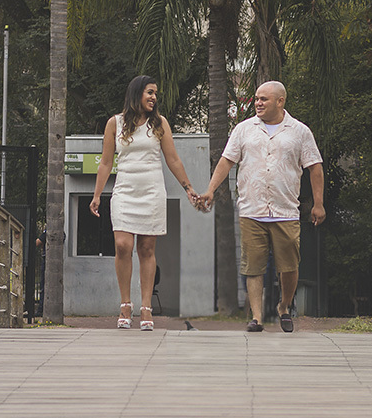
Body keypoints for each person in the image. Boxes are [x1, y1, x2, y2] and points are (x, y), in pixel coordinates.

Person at [198, 81, 325, 333]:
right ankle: (256, 317)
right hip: (251, 209)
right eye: (256, 98)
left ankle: (284, 306)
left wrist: (318, 204)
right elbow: (226, 162)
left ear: (280, 101)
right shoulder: (244, 129)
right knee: (252, 266)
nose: (258, 103)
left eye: (264, 99)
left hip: (285, 210)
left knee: (289, 266)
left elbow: (315, 167)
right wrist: (210, 189)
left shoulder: (300, 132)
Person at [90, 75, 200, 331]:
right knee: (122, 245)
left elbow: (172, 159)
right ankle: (125, 304)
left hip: (152, 191)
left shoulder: (159, 123)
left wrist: (188, 187)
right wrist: (97, 196)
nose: (153, 97)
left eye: (156, 94)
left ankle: (146, 307)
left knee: (147, 250)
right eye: (149, 92)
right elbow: (106, 162)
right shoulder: (114, 123)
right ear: (136, 93)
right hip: (125, 191)